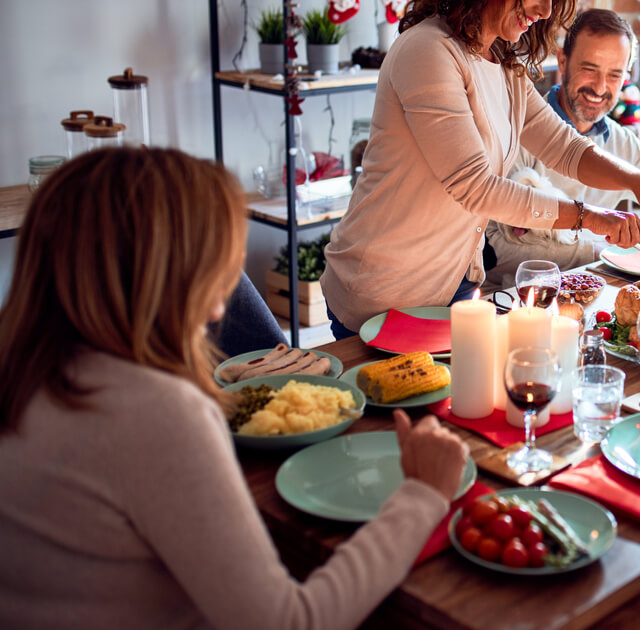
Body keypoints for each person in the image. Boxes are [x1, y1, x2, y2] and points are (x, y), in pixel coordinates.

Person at [0, 147, 468, 628]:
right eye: (216, 270)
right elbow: (292, 621)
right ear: (172, 276)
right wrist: (423, 494)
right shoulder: (153, 413)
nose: (220, 309)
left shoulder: (22, 372)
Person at [321, 0, 640, 338]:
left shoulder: (503, 64)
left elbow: (565, 147)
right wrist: (587, 217)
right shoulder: (428, 50)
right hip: (383, 290)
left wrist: (638, 180)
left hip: (455, 284)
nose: (544, 11)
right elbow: (476, 186)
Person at [483, 8, 640, 290]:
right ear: (564, 61)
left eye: (615, 75)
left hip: (594, 298)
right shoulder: (517, 132)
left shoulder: (623, 143)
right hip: (514, 303)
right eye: (589, 69)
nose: (600, 87)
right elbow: (491, 250)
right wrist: (596, 248)